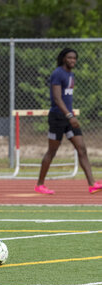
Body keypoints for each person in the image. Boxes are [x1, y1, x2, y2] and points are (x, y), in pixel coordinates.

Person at [34, 48, 102, 195]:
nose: (72, 60)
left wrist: (70, 117)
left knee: (81, 148)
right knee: (52, 151)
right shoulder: (58, 73)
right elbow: (57, 99)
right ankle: (40, 184)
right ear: (64, 58)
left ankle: (92, 184)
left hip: (68, 119)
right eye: (70, 58)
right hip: (58, 118)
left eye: (74, 58)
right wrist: (70, 115)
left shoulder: (71, 74)